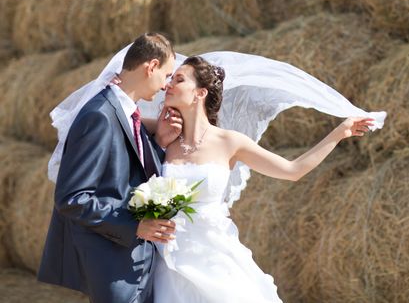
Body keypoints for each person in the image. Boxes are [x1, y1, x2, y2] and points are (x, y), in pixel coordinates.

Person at [151, 55, 376, 303]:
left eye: (179, 79)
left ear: (200, 93)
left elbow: (292, 170)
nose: (168, 84)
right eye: (170, 78)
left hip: (214, 258)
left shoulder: (230, 142)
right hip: (169, 259)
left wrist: (338, 133)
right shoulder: (160, 134)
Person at [38, 33, 182, 303]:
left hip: (134, 260)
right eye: (166, 75)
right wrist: (135, 226)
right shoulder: (99, 115)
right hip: (111, 262)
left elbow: (130, 170)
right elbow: (71, 198)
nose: (165, 86)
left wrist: (160, 141)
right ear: (150, 67)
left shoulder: (127, 113)